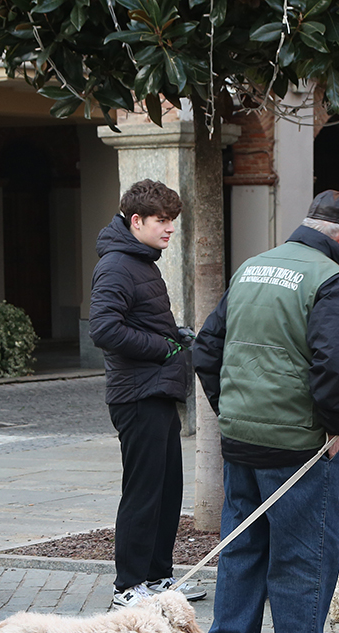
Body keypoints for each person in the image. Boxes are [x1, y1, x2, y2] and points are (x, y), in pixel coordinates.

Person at [193, 190, 339, 633]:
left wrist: (231, 410)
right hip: (300, 450)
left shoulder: (252, 268)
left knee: (241, 555)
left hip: (241, 443)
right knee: (304, 559)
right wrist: (336, 426)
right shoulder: (330, 280)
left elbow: (206, 348)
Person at [89, 179, 204, 609]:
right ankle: (128, 587)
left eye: (172, 220)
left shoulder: (142, 261)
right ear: (136, 221)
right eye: (161, 220)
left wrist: (173, 334)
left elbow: (138, 318)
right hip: (136, 394)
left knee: (166, 488)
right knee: (143, 492)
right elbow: (104, 329)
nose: (169, 228)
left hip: (156, 390)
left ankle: (157, 579)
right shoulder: (118, 264)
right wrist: (164, 347)